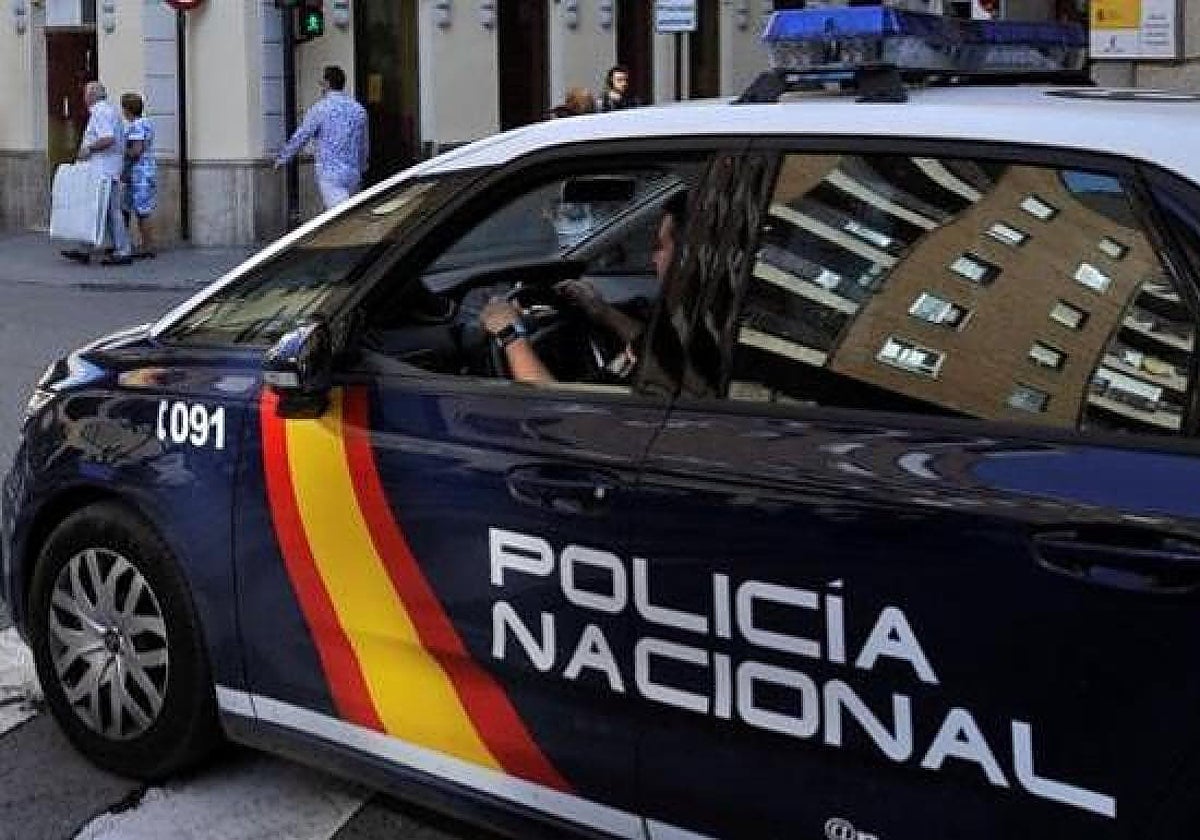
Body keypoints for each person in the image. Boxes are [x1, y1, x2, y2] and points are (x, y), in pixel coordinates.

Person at [480, 191, 687, 385]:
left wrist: (510, 334)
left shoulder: (693, 338)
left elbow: (553, 403)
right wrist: (603, 311)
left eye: (660, 247)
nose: (653, 258)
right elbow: (661, 353)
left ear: (685, 254)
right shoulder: (693, 323)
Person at [275, 65, 369, 211]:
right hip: (353, 173)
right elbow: (363, 144)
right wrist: (362, 166)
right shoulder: (359, 110)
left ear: (327, 83)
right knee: (346, 215)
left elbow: (302, 135)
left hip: (329, 173)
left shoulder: (320, 109)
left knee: (340, 217)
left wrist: (283, 158)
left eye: (322, 82)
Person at [62, 81, 131, 266]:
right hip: (108, 168)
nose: (84, 97)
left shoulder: (100, 112)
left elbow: (108, 139)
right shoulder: (109, 110)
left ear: (92, 95)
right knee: (101, 210)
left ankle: (122, 250)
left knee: (109, 210)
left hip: (104, 170)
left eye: (86, 93)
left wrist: (88, 149)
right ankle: (89, 248)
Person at [120, 92, 157, 259]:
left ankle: (147, 246)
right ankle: (126, 242)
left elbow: (136, 151)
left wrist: (122, 151)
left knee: (142, 211)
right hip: (142, 172)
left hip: (140, 173)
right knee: (127, 208)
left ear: (127, 109)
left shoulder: (136, 126)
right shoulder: (146, 123)